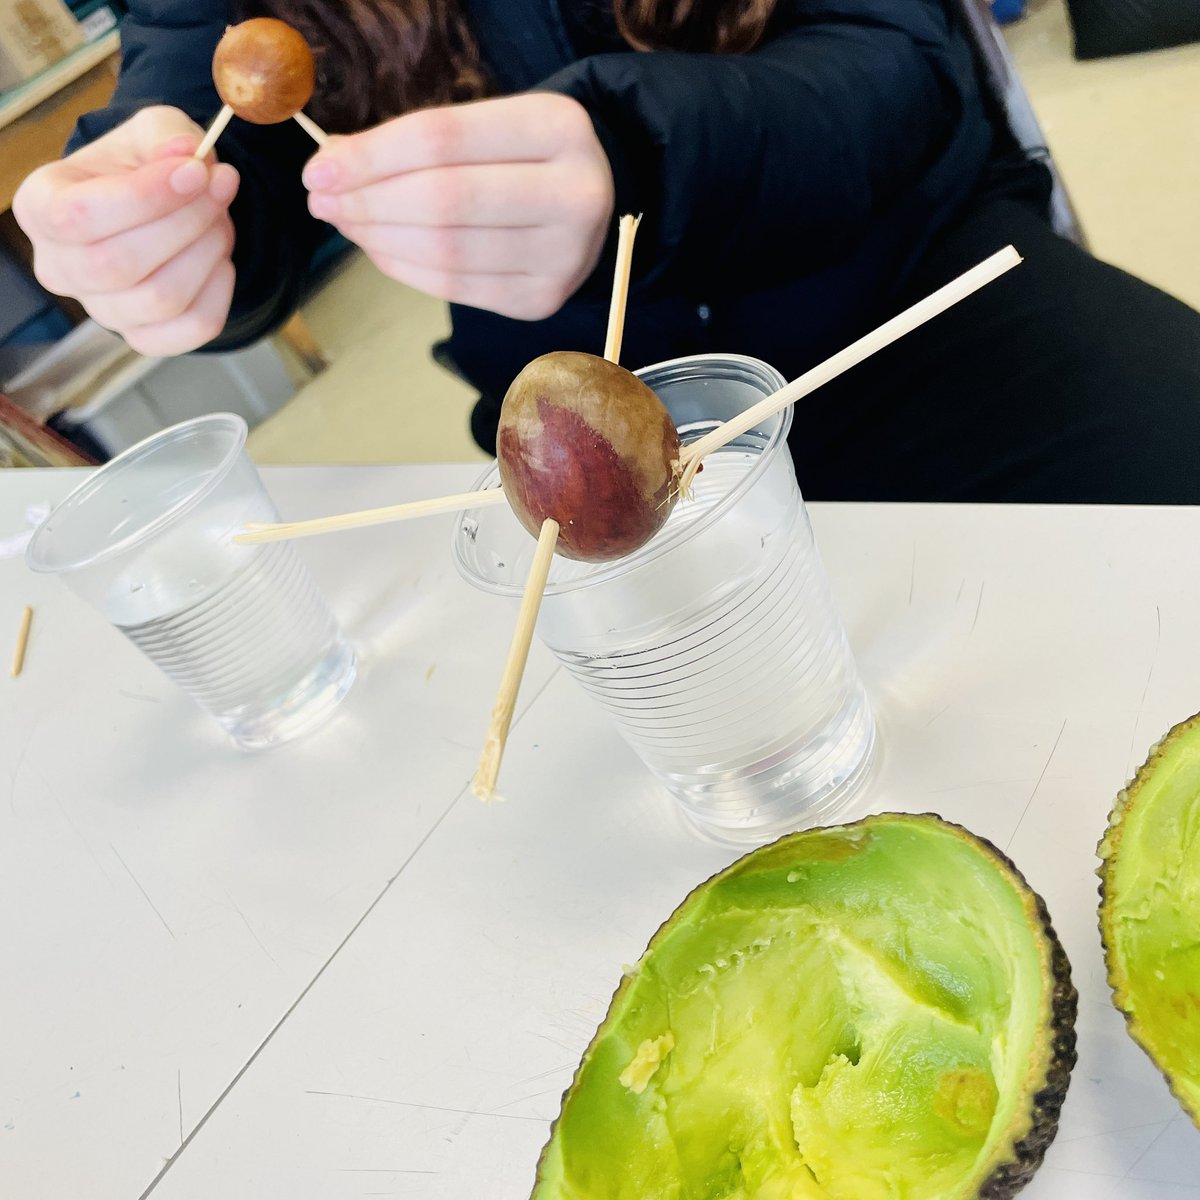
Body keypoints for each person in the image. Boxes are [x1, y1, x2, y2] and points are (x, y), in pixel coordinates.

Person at [13, 0, 1200, 502]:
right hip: (582, 412)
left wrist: (639, 150)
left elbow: (897, 58)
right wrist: (159, 223)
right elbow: (199, 68)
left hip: (916, 297)